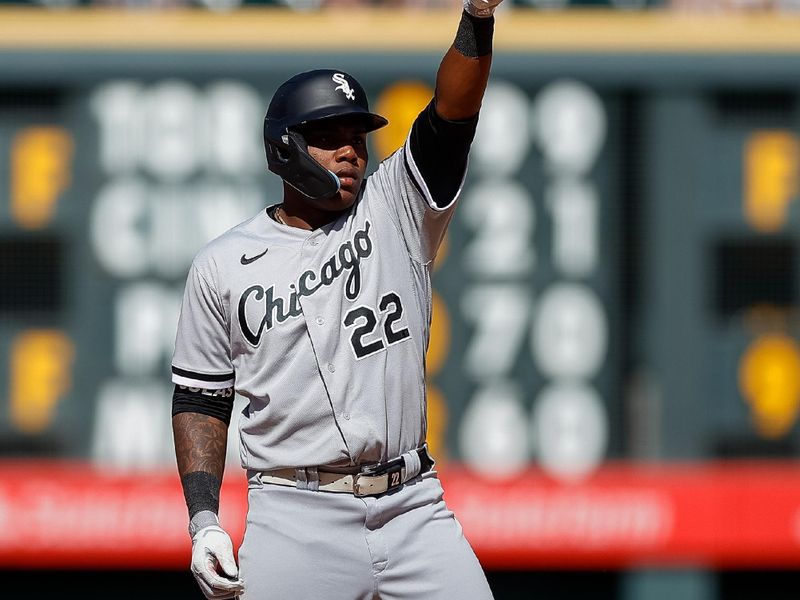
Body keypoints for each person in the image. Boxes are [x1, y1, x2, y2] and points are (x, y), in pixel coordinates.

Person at [171, 0, 502, 597]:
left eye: (356, 137)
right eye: (328, 137)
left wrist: (477, 15)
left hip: (412, 505)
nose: (351, 151)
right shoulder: (221, 265)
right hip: (295, 515)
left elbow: (454, 111)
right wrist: (204, 522)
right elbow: (200, 397)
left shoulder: (397, 206)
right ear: (283, 149)